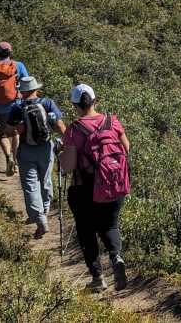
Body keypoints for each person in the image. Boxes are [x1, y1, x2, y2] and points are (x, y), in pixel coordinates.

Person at [61, 83, 131, 291]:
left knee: (86, 230)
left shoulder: (74, 130)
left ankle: (98, 278)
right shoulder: (112, 121)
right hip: (113, 184)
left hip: (85, 188)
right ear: (95, 101)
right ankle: (116, 257)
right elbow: (126, 148)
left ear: (75, 105)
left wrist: (61, 155)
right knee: (110, 226)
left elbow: (69, 166)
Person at [8, 76, 66, 239]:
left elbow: (9, 131)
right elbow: (59, 125)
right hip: (46, 148)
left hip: (26, 150)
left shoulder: (17, 107)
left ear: (22, 91)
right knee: (45, 181)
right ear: (36, 89)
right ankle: (44, 211)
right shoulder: (47, 103)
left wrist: (18, 129)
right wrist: (67, 142)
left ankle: (40, 219)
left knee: (30, 185)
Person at [0, 41, 29, 176]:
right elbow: (27, 83)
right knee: (15, 133)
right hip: (16, 105)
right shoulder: (18, 66)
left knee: (3, 135)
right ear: (10, 52)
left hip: (0, 107)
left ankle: (8, 157)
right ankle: (15, 161)